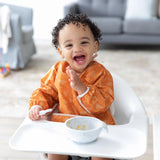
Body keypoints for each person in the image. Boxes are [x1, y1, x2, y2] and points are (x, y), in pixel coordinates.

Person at [29, 14, 115, 160]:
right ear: (61, 51)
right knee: (54, 150)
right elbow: (45, 91)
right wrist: (38, 107)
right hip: (65, 127)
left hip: (96, 130)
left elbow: (104, 103)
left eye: (84, 42)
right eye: (69, 45)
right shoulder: (58, 70)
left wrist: (81, 88)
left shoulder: (101, 73)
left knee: (103, 154)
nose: (77, 48)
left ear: (95, 46)